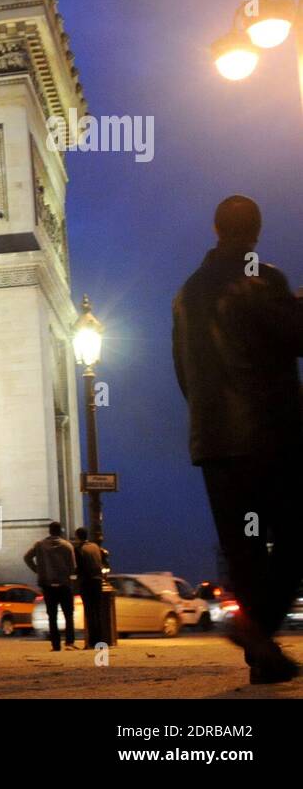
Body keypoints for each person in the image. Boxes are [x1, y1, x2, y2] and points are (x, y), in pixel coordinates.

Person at [172, 194, 303, 685]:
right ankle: (255, 626)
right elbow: (297, 337)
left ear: (215, 227)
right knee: (294, 539)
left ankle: (261, 660)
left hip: (215, 445)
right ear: (256, 231)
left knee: (243, 549)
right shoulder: (261, 276)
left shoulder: (185, 293)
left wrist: (209, 419)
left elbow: (185, 372)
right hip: (270, 438)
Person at [24, 522, 77, 651]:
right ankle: (69, 642)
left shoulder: (39, 545)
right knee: (68, 615)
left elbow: (27, 557)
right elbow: (73, 567)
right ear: (60, 532)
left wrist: (38, 570)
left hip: (47, 585)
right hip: (64, 584)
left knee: (52, 616)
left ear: (49, 531)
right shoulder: (67, 546)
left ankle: (56, 645)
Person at [72, 528, 107, 647]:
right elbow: (103, 561)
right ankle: (101, 640)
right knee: (98, 611)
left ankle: (92, 642)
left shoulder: (79, 550)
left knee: (89, 612)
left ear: (77, 537)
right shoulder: (95, 547)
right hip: (97, 581)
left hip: (86, 582)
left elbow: (78, 567)